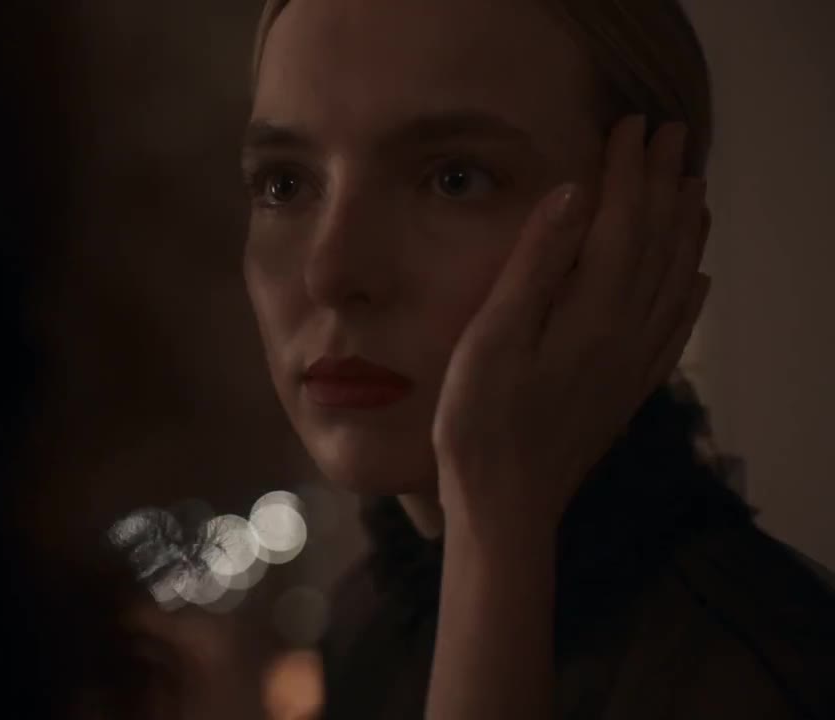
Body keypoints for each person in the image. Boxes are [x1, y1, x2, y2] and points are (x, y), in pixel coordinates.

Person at [238, 0, 835, 718]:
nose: (330, 272)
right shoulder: (367, 620)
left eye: (456, 178)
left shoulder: (753, 674)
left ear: (648, 227)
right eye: (285, 184)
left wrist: (497, 527)